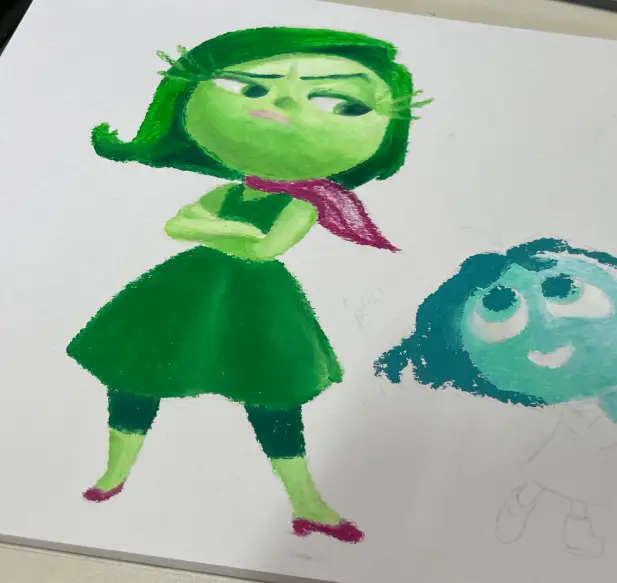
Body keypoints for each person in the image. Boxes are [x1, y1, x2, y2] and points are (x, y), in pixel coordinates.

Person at [67, 26, 429, 544]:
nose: (281, 102)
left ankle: (307, 502)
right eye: (251, 87)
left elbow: (263, 249)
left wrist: (215, 228)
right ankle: (114, 473)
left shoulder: (303, 202)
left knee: (273, 398)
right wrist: (228, 229)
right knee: (134, 377)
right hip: (184, 292)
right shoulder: (235, 190)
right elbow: (178, 225)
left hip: (258, 302)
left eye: (340, 102)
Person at [375, 237, 617, 553]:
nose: (548, 325)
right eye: (498, 304)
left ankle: (573, 531)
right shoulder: (572, 400)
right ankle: (521, 506)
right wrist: (615, 432)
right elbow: (593, 426)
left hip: (591, 455)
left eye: (564, 288)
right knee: (547, 482)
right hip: (573, 448)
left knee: (580, 493)